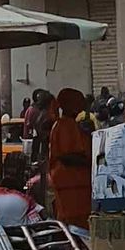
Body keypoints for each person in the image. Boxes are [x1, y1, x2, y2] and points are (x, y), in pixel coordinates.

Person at [46, 86, 94, 227]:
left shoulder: (72, 124)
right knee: (74, 222)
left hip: (75, 183)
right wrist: (90, 162)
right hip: (70, 183)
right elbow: (66, 156)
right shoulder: (65, 125)